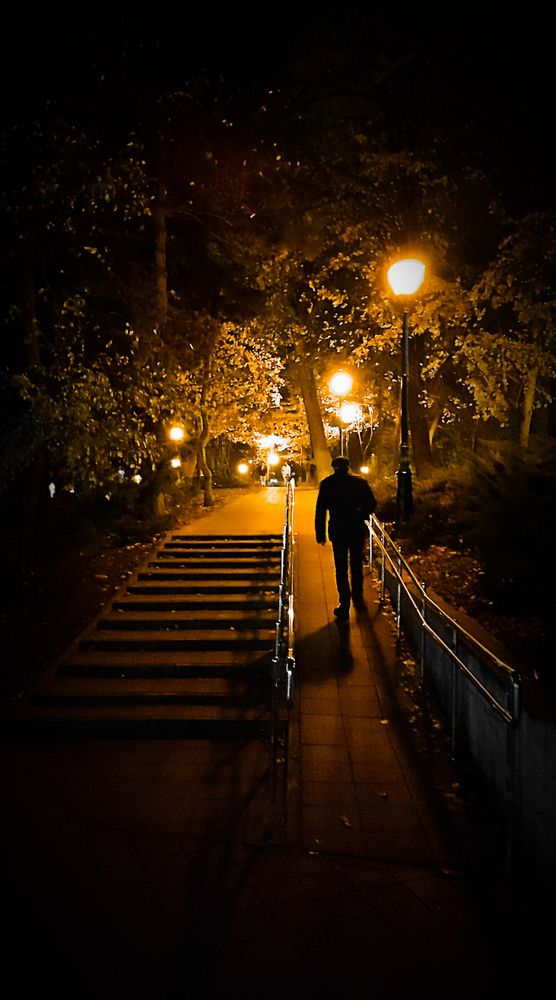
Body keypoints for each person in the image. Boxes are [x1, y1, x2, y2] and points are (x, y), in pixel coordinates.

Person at [315, 456, 377, 620]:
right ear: (348, 467)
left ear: (334, 467)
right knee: (356, 563)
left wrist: (320, 533)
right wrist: (360, 512)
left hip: (338, 529)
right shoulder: (360, 483)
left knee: (340, 567)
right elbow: (371, 504)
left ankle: (344, 602)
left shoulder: (327, 484)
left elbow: (320, 510)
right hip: (356, 528)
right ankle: (358, 594)